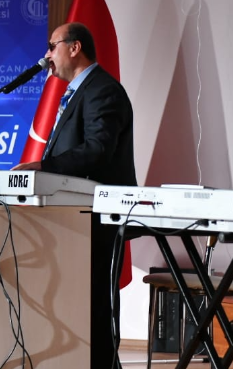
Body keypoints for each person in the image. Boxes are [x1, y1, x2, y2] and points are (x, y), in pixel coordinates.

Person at [13, 22, 137, 368]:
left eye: (52, 46)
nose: (46, 55)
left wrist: (45, 166)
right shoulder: (79, 92)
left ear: (74, 47)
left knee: (95, 305)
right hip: (73, 217)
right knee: (77, 303)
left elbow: (97, 149)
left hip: (97, 218)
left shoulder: (103, 90)